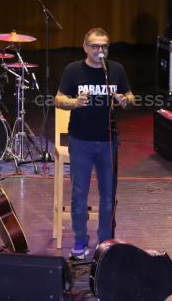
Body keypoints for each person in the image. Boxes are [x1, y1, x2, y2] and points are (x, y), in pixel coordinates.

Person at [55, 28, 134, 260]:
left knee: (108, 195)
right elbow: (58, 99)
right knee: (79, 195)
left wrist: (125, 100)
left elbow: (130, 97)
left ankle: (105, 243)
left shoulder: (115, 70)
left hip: (108, 141)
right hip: (81, 141)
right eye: (96, 46)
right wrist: (74, 102)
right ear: (85, 47)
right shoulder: (74, 70)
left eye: (104, 47)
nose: (100, 51)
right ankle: (80, 241)